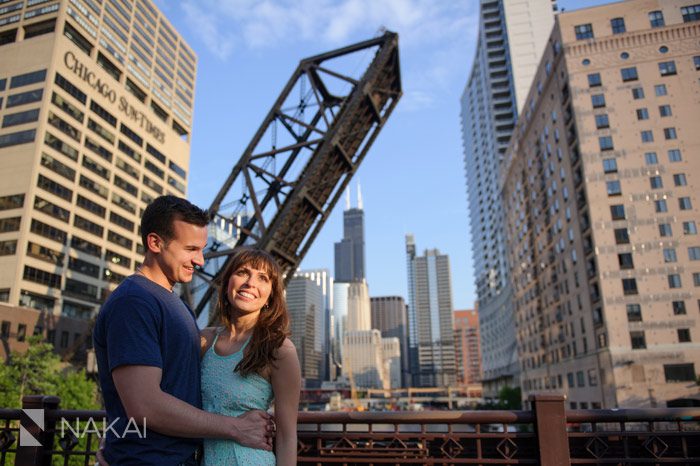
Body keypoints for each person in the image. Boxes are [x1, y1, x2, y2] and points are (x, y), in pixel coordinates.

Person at [93, 196, 273, 465]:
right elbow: (145, 407)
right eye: (191, 249)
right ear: (155, 243)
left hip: (177, 459)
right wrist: (236, 427)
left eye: (201, 249)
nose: (200, 260)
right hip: (149, 461)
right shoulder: (134, 302)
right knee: (31, 437)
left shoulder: (175, 304)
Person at [200, 247, 301, 465]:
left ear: (270, 296)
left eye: (262, 278)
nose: (250, 283)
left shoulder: (279, 349)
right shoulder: (203, 341)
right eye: (243, 272)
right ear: (228, 283)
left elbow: (286, 436)